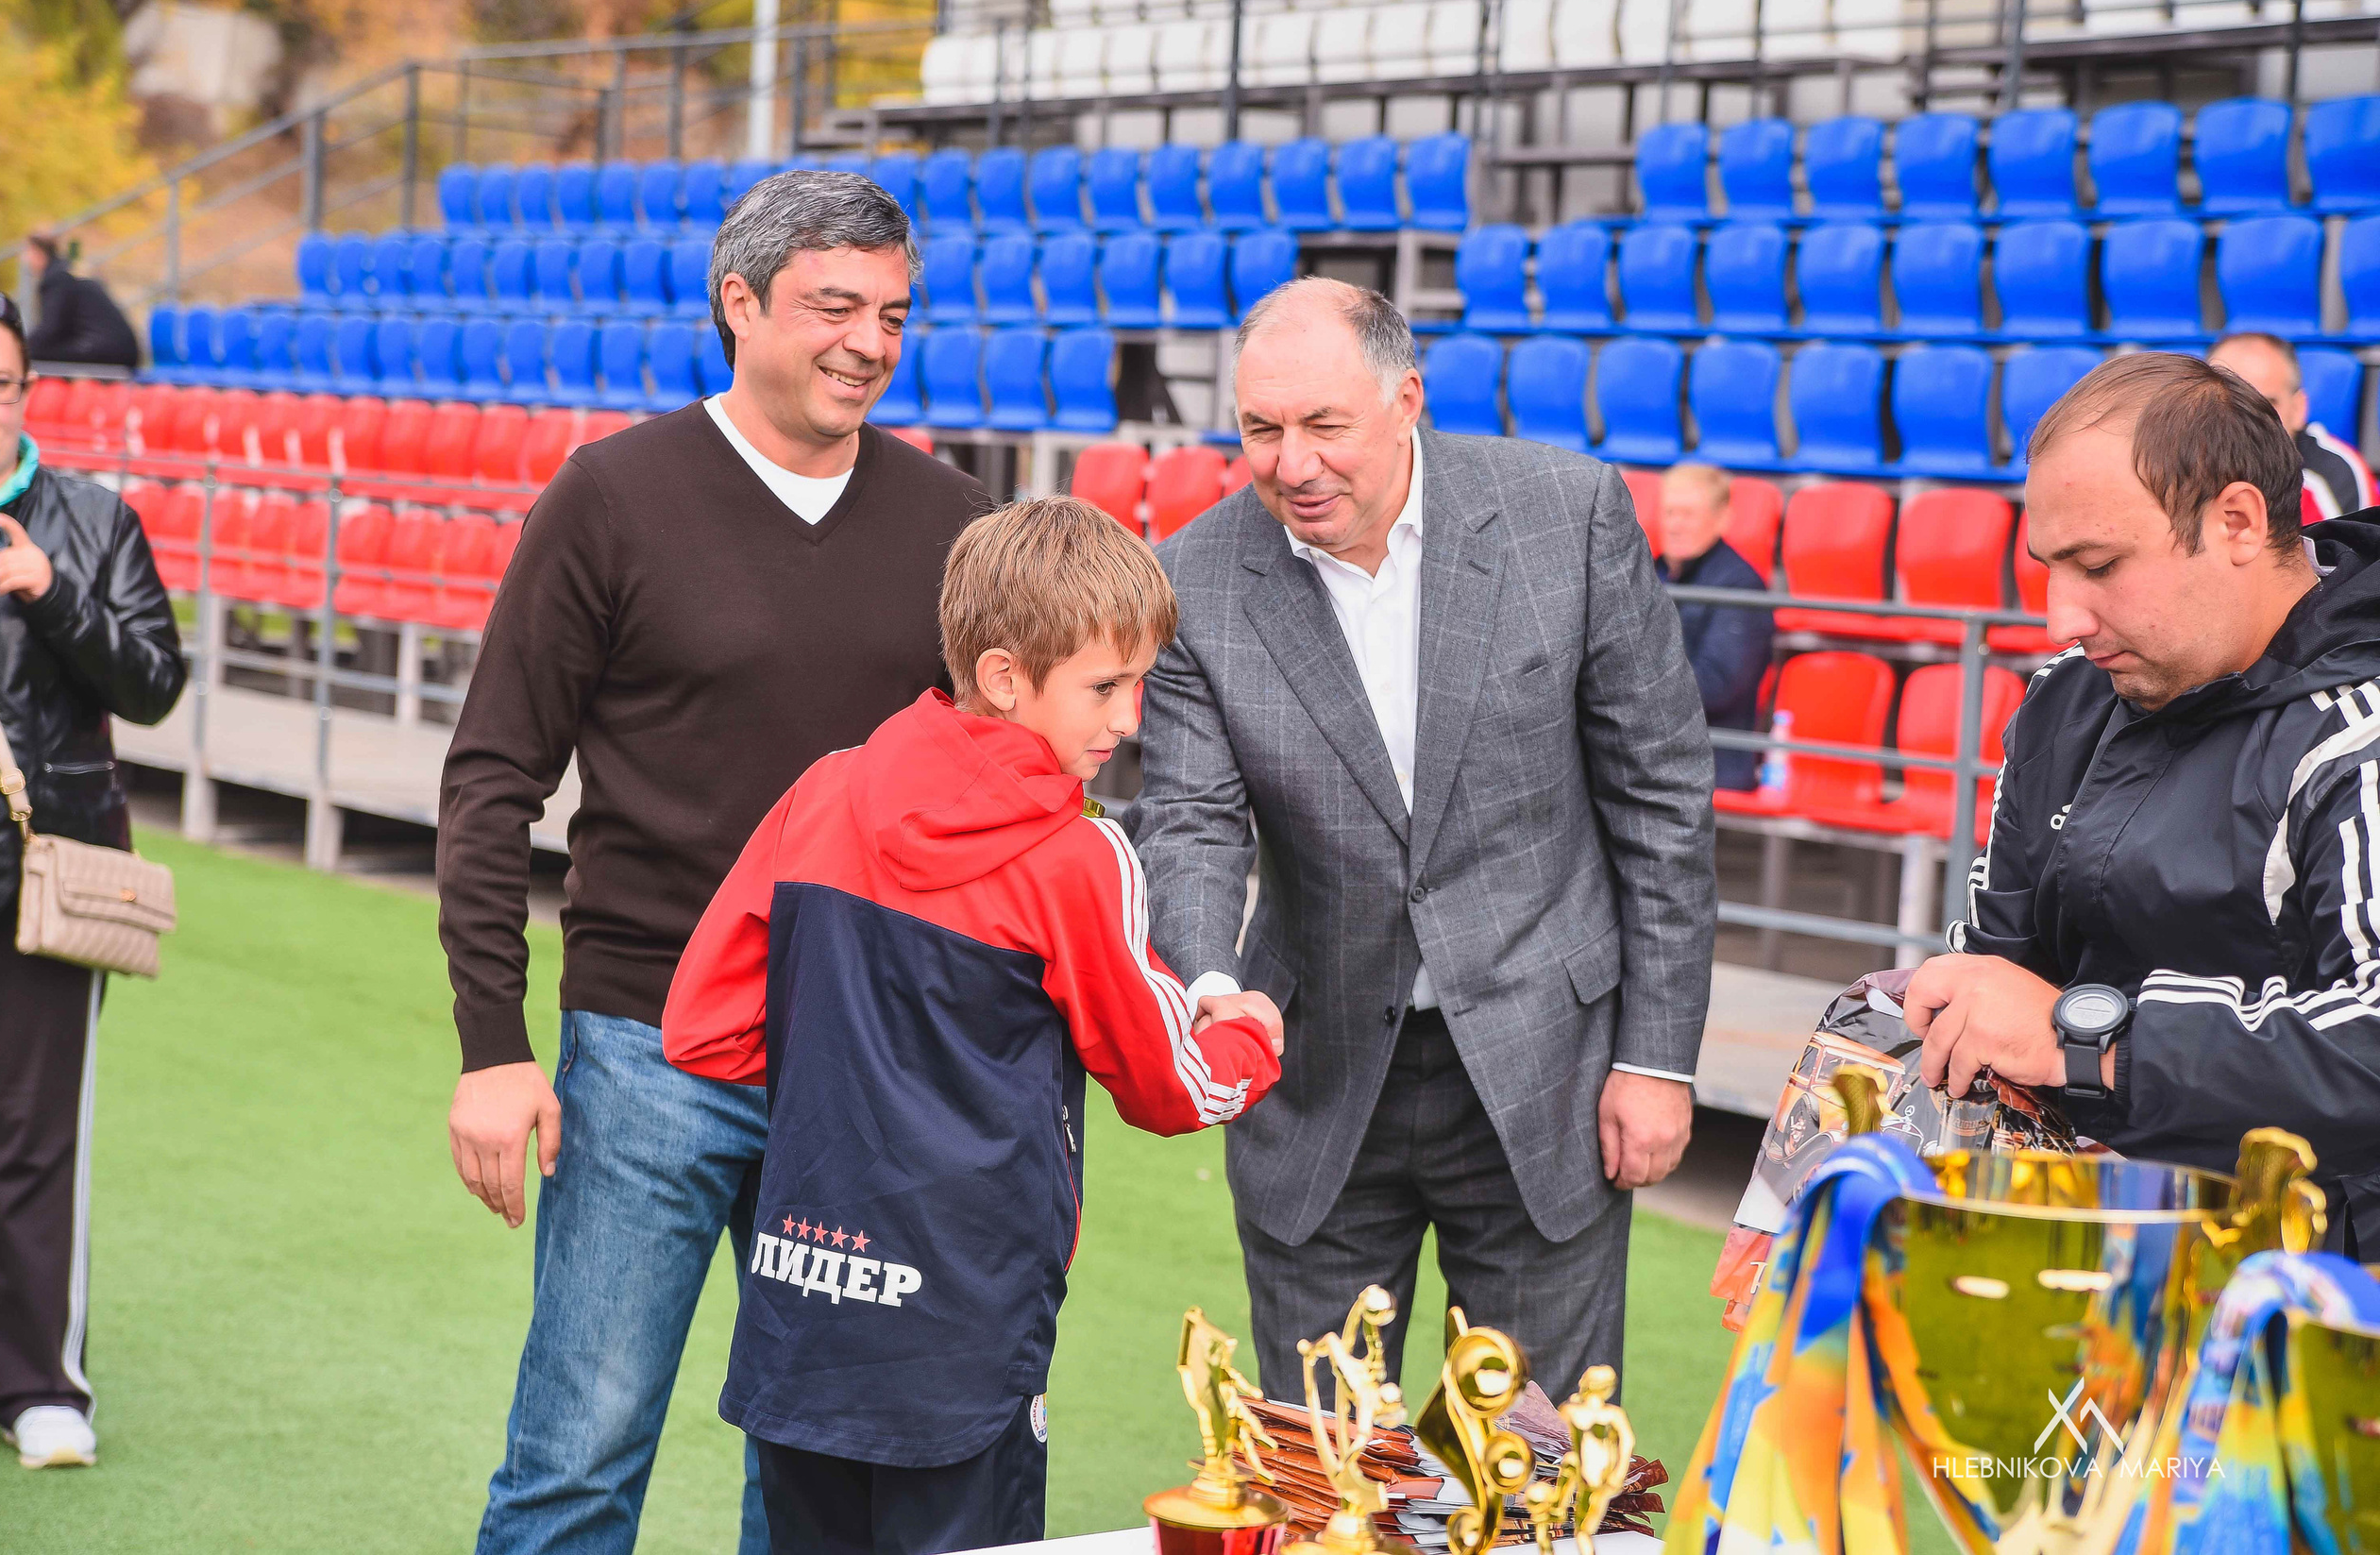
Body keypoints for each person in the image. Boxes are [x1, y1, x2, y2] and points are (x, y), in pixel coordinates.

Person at [437, 173, 989, 1554]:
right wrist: (492, 1045)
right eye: (834, 306)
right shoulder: (612, 497)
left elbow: (1003, 795)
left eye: (893, 313)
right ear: (738, 304)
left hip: (868, 1065)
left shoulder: (953, 522)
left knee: (820, 1475)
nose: (868, 340)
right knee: (577, 1462)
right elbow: (495, 774)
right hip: (647, 1049)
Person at [660, 497, 1285, 1555]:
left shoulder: (823, 790)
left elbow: (701, 1029)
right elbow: (1170, 1087)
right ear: (1004, 676)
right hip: (965, 1325)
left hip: (806, 1300)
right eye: (1104, 684)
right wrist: (1247, 1028)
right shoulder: (1080, 859)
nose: (1128, 718)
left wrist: (855, 1063)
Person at [1130, 278, 1716, 1401]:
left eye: (1322, 426)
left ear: (1406, 399)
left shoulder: (1568, 514)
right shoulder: (1192, 575)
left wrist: (1655, 1056)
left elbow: (1660, 799)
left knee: (1541, 1477)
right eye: (1261, 429)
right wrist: (1206, 982)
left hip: (1553, 1073)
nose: (1291, 463)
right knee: (1322, 1473)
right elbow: (1191, 819)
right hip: (1313, 1077)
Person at [1904, 352, 2380, 1252]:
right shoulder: (2062, 700)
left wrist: (2081, 1043)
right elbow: (2002, 959)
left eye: (2099, 564)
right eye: (2049, 567)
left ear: (2237, 520)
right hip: (2087, 1271)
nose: (2062, 619)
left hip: (2316, 1312)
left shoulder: (2358, 730)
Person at [0, 291, 185, 1466]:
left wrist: (55, 594)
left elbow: (155, 682)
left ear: (27, 395)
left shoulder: (93, 519)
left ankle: (40, 1383)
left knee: (39, 1139)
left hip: (49, 873)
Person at [1654, 463, 1774, 793]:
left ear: (1722, 518)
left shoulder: (1740, 585)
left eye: (1689, 514)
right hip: (1650, 753)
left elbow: (1717, 685)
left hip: (1709, 761)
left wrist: (1630, 685)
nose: (1676, 524)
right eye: (1669, 512)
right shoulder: (1650, 572)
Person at [2206, 330, 2373, 520]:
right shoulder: (2176, 461)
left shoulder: (2338, 473)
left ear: (2298, 409)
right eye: (2227, 402)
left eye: (2265, 405)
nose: (2244, 419)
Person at [20, 235, 140, 373]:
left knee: (33, 354)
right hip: (120, 349)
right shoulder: (68, 270)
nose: (25, 259)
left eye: (27, 252)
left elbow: (51, 329)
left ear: (38, 252)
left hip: (108, 351)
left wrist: (20, 349)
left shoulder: (57, 279)